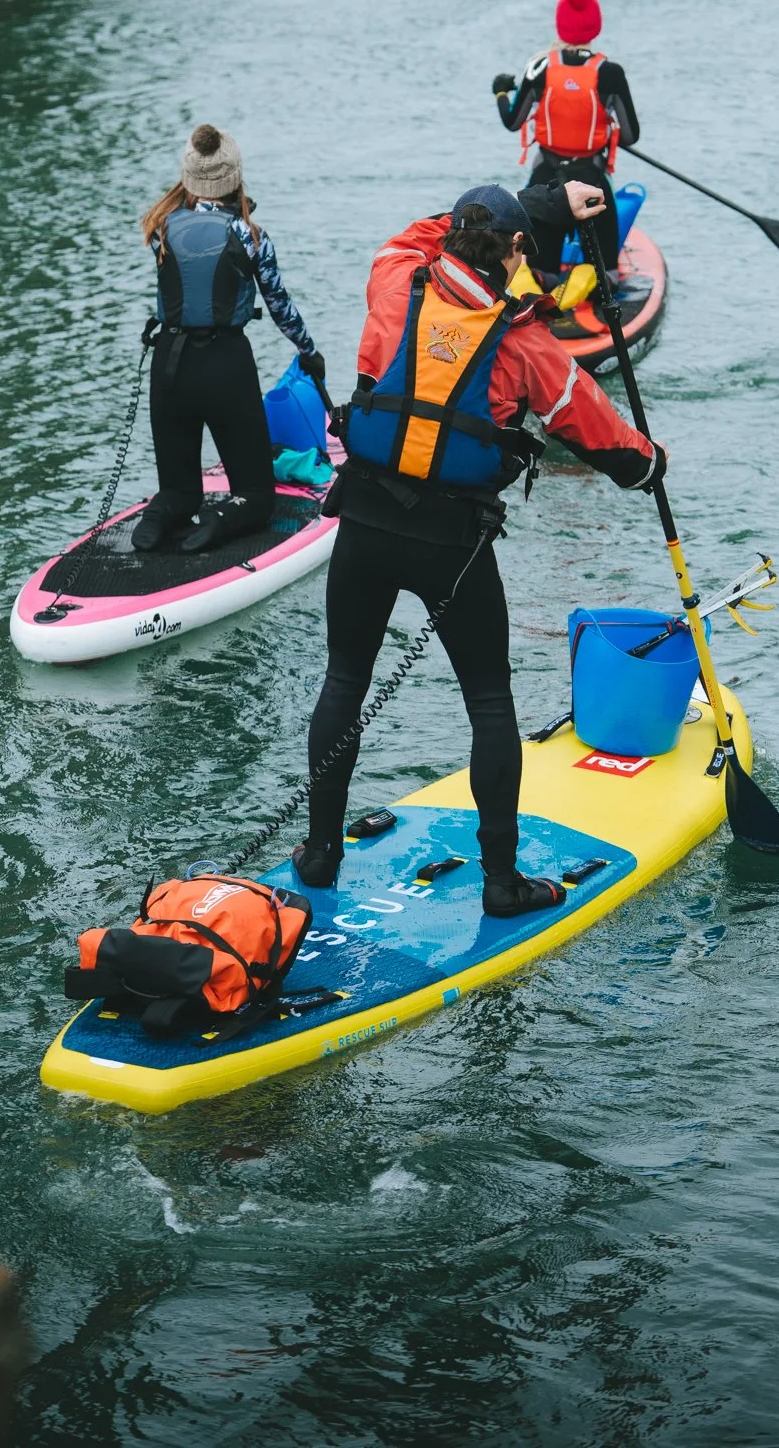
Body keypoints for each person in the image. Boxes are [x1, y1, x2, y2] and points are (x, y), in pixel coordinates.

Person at [294, 182, 665, 919]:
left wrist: (538, 201)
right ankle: (501, 884)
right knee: (489, 702)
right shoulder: (526, 344)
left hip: (364, 526)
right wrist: (650, 462)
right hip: (451, 544)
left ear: (450, 236)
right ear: (516, 252)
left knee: (344, 681)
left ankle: (321, 853)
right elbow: (609, 445)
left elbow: (413, 231)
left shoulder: (395, 278)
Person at [134, 124, 325, 556]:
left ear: (188, 176)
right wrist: (309, 353)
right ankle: (221, 519)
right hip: (225, 367)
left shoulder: (160, 228)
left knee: (181, 491)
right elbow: (280, 307)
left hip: (169, 368)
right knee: (258, 496)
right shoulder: (251, 236)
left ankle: (163, 513)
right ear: (235, 176)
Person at [493, 0, 640, 279]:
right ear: (595, 28)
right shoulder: (610, 73)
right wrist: (604, 126)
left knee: (539, 275)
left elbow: (513, 122)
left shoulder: (538, 67)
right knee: (605, 274)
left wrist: (500, 92)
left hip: (545, 185)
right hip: (591, 185)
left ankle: (540, 307)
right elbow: (630, 136)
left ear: (560, 27)